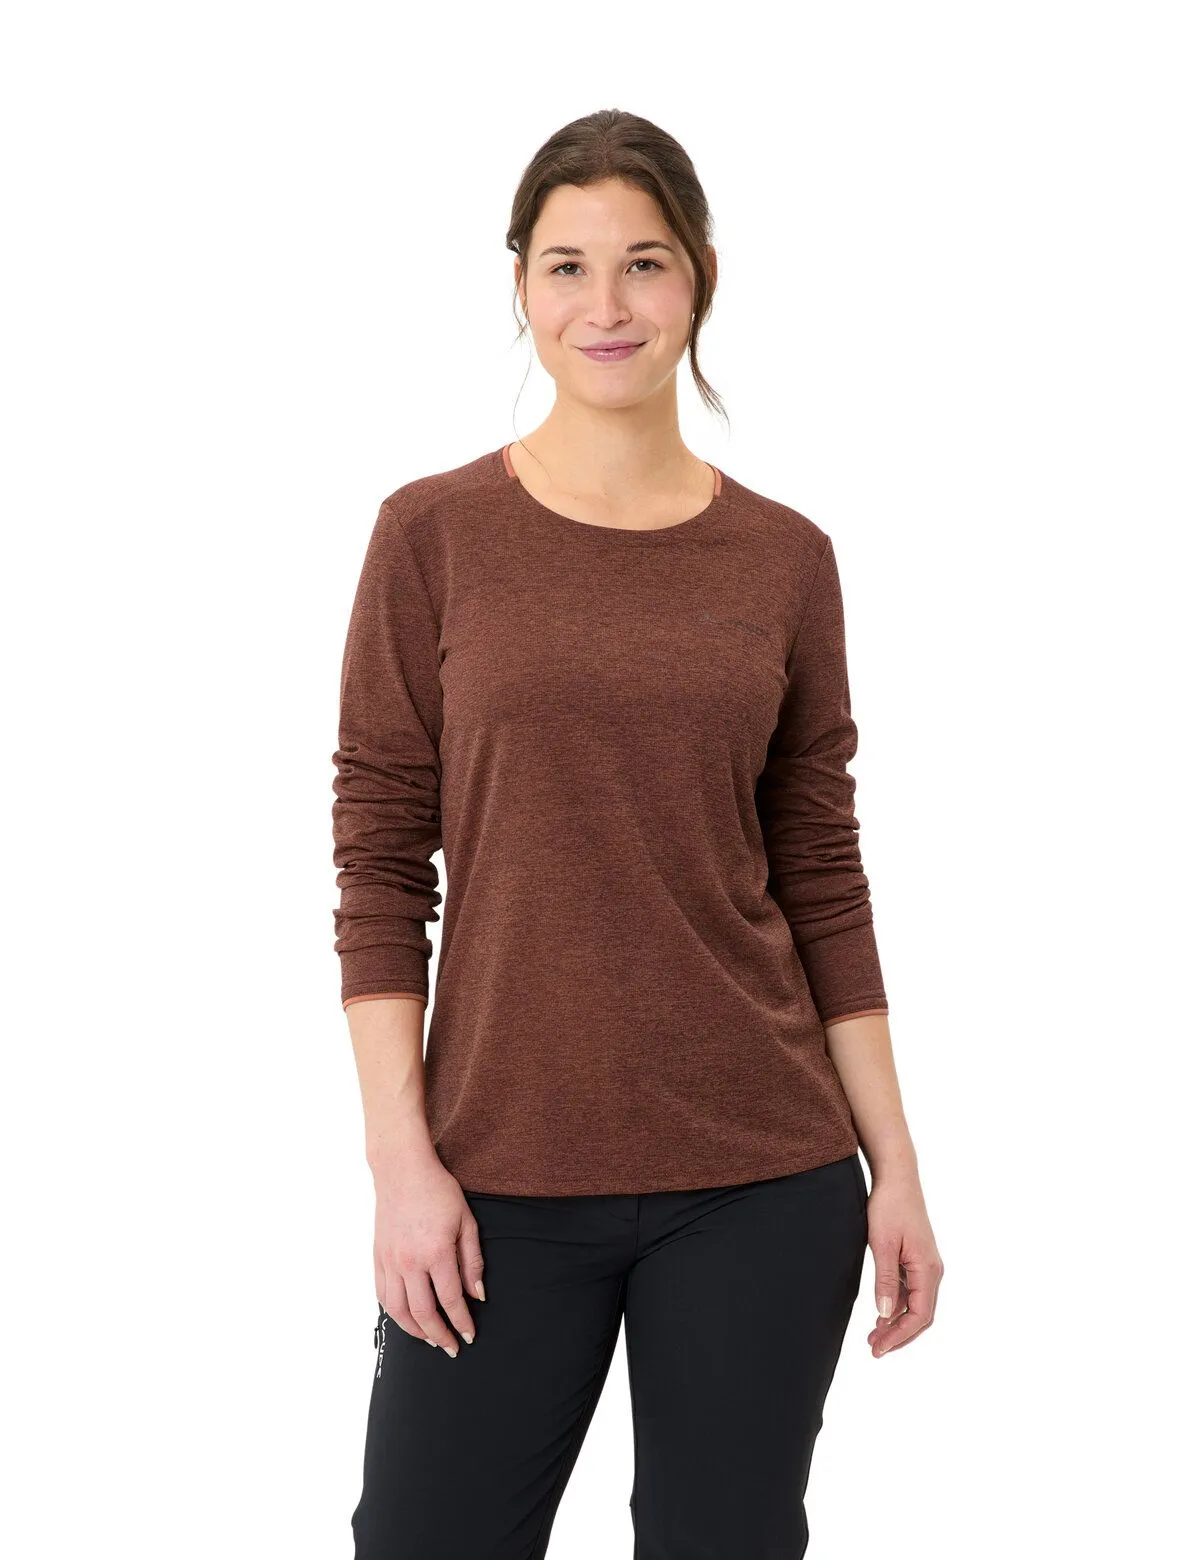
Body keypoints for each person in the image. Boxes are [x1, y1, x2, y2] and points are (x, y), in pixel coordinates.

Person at [331, 108, 943, 1560]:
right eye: (567, 266)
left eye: (644, 263)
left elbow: (820, 873)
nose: (605, 305)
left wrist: (899, 1167)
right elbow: (378, 860)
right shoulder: (431, 535)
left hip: (762, 1173)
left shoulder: (785, 558)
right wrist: (401, 1166)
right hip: (493, 1173)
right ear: (521, 286)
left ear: (700, 280)